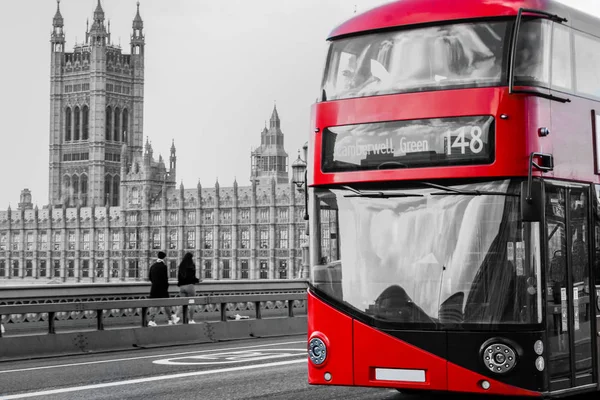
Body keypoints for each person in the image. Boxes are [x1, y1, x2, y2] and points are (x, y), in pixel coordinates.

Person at [147, 251, 179, 326]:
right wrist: (166, 287)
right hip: (162, 289)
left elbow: (150, 277)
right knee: (166, 304)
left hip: (154, 288)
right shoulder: (164, 266)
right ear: (164, 257)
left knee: (154, 305)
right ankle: (170, 320)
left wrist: (155, 283)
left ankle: (151, 320)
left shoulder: (153, 266)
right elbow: (165, 279)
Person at [177, 252, 201, 323]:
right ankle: (191, 319)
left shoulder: (181, 265)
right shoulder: (191, 265)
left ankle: (176, 316)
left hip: (182, 287)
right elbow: (191, 278)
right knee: (192, 302)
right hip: (190, 287)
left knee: (183, 303)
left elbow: (179, 278)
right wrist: (198, 280)